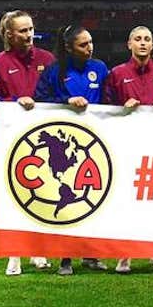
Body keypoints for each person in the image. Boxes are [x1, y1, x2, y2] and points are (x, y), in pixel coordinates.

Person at [33, 25, 110, 276]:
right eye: (83, 44)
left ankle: (92, 254)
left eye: (90, 43)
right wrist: (65, 102)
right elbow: (40, 100)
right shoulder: (55, 72)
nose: (90, 48)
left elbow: (110, 100)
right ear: (68, 47)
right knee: (67, 198)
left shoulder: (99, 68)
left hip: (97, 144)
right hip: (65, 146)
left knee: (96, 198)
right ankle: (65, 258)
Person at [0, 10, 55, 276]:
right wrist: (14, 104)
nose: (29, 35)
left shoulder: (48, 59)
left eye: (31, 29)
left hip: (46, 140)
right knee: (14, 197)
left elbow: (57, 94)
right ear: (8, 34)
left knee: (45, 195)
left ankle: (39, 251)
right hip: (13, 141)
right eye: (23, 31)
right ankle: (14, 255)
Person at [103, 26, 153, 274]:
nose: (143, 43)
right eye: (138, 39)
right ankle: (125, 255)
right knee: (127, 202)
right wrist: (121, 108)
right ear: (129, 44)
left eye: (147, 40)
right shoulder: (117, 74)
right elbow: (104, 109)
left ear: (152, 46)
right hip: (125, 149)